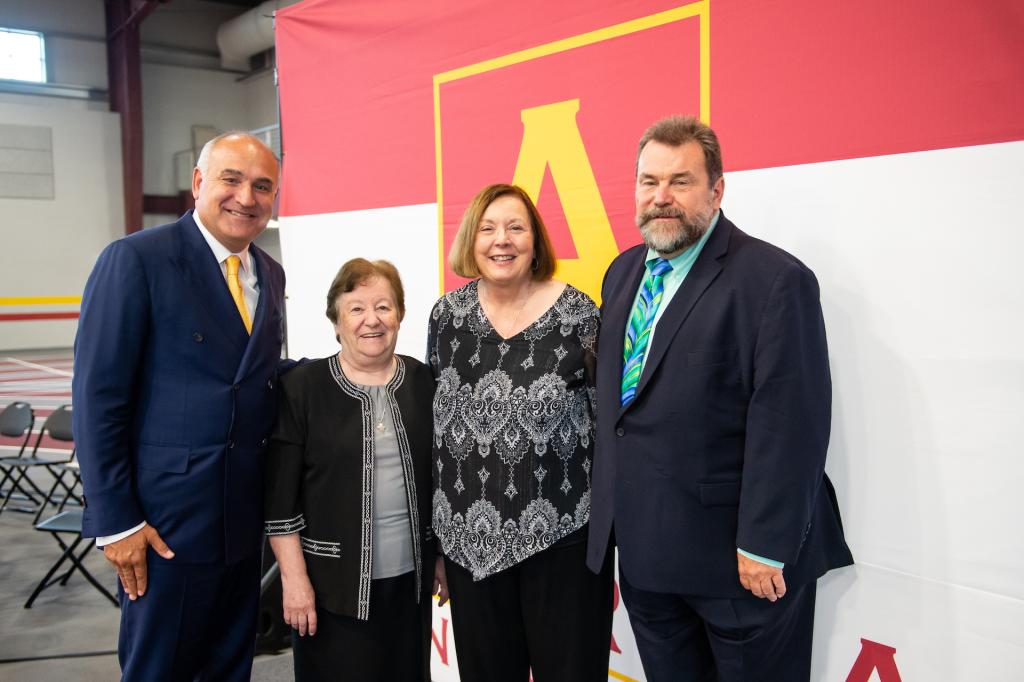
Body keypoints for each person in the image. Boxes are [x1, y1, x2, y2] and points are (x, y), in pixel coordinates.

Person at [586, 115, 854, 681]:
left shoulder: (775, 279)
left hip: (738, 567)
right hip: (646, 559)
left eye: (680, 181)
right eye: (648, 181)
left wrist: (764, 543)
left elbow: (791, 423)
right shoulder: (622, 272)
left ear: (717, 190)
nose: (661, 198)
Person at [72, 132, 285, 681]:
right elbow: (98, 400)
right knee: (158, 670)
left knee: (228, 668)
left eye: (263, 186)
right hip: (162, 529)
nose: (247, 197)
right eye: (231, 180)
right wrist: (116, 523)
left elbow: (252, 378)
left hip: (241, 525)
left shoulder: (270, 272)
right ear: (197, 183)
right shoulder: (137, 260)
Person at [428, 184, 614, 682]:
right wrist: (438, 545)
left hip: (564, 543)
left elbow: (608, 431)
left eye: (515, 227)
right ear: (471, 239)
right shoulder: (446, 318)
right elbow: (438, 435)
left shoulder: (581, 315)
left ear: (536, 242)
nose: (500, 240)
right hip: (470, 548)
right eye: (487, 228)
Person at [264, 258, 436, 681]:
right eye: (356, 308)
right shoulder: (302, 389)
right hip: (329, 591)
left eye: (384, 306)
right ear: (336, 321)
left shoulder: (423, 380)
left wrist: (443, 561)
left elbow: (440, 480)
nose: (371, 320)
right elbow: (280, 503)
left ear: (399, 315)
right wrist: (294, 580)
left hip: (409, 586)